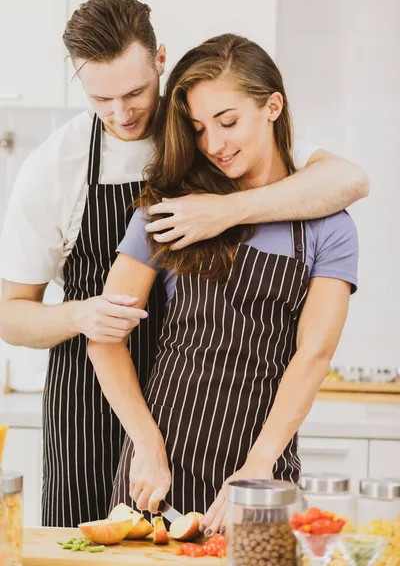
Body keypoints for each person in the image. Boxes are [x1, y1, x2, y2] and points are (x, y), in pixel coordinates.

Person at [0, 0, 366, 528]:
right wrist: (83, 316)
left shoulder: (225, 133)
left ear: (160, 63)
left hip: (245, 439)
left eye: (134, 92)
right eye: (101, 98)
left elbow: (347, 182)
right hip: (102, 405)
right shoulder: (63, 171)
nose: (121, 113)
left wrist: (221, 212)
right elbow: (14, 313)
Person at [87, 33, 359, 537]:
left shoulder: (328, 225)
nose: (214, 145)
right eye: (198, 129)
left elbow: (313, 357)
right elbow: (105, 337)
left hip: (262, 464)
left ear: (272, 106)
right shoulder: (167, 210)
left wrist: (258, 468)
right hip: (158, 467)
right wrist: (145, 444)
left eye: (228, 122)